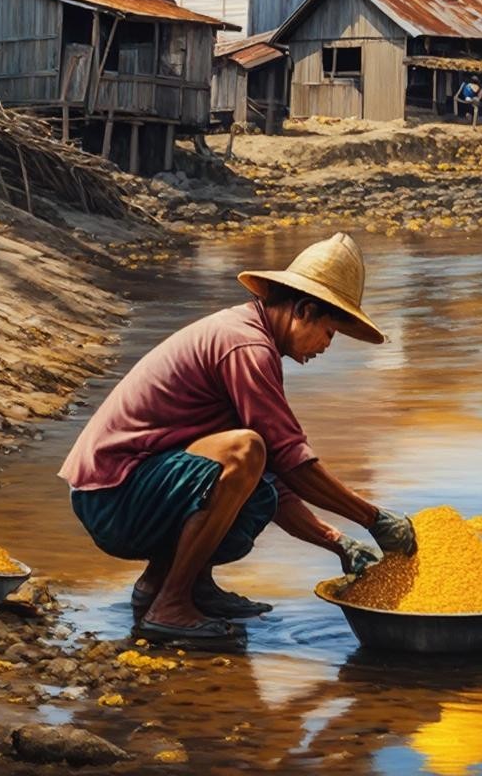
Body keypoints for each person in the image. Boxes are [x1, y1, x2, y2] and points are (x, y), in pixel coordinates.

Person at [59, 234, 416, 641]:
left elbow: (274, 479)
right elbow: (289, 459)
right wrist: (376, 520)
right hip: (113, 497)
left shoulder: (247, 335)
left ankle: (173, 586)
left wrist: (339, 542)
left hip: (128, 487)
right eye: (329, 332)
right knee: (245, 451)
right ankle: (171, 605)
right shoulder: (247, 345)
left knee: (254, 479)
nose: (326, 346)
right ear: (304, 310)